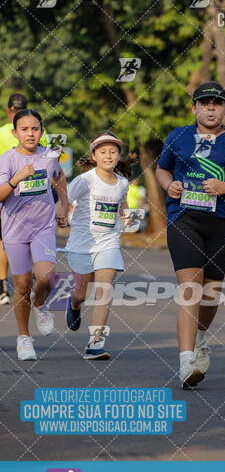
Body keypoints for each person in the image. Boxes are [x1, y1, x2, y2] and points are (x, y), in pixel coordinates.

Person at [155, 81, 225, 388]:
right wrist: (170, 186)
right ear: (194, 108)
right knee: (190, 288)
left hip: (222, 224)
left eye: (216, 104)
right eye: (203, 103)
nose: (209, 108)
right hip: (184, 219)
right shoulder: (178, 136)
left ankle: (201, 338)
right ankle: (185, 361)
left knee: (211, 292)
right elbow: (162, 169)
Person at [0, 109, 68, 360]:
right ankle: (24, 338)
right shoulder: (7, 160)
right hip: (14, 229)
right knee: (21, 285)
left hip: (43, 226)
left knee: (47, 278)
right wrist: (17, 178)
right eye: (25, 129)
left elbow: (59, 177)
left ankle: (39, 305)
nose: (30, 133)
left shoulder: (50, 156)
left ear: (41, 131)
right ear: (15, 132)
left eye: (35, 128)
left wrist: (63, 203)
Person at [65, 131, 135, 360]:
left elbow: (122, 204)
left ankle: (95, 343)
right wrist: (60, 214)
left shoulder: (122, 182)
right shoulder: (85, 180)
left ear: (118, 155)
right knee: (82, 293)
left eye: (113, 152)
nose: (108, 156)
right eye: (103, 152)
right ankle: (74, 304)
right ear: (94, 155)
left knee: (105, 288)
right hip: (82, 244)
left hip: (108, 243)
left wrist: (126, 215)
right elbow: (64, 199)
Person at [0, 94, 49, 305]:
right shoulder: (8, 132)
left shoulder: (7, 131)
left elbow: (51, 163)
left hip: (27, 193)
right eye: (14, 109)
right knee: (10, 240)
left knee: (15, 240)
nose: (30, 134)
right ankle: (9, 283)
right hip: (11, 191)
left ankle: (12, 284)